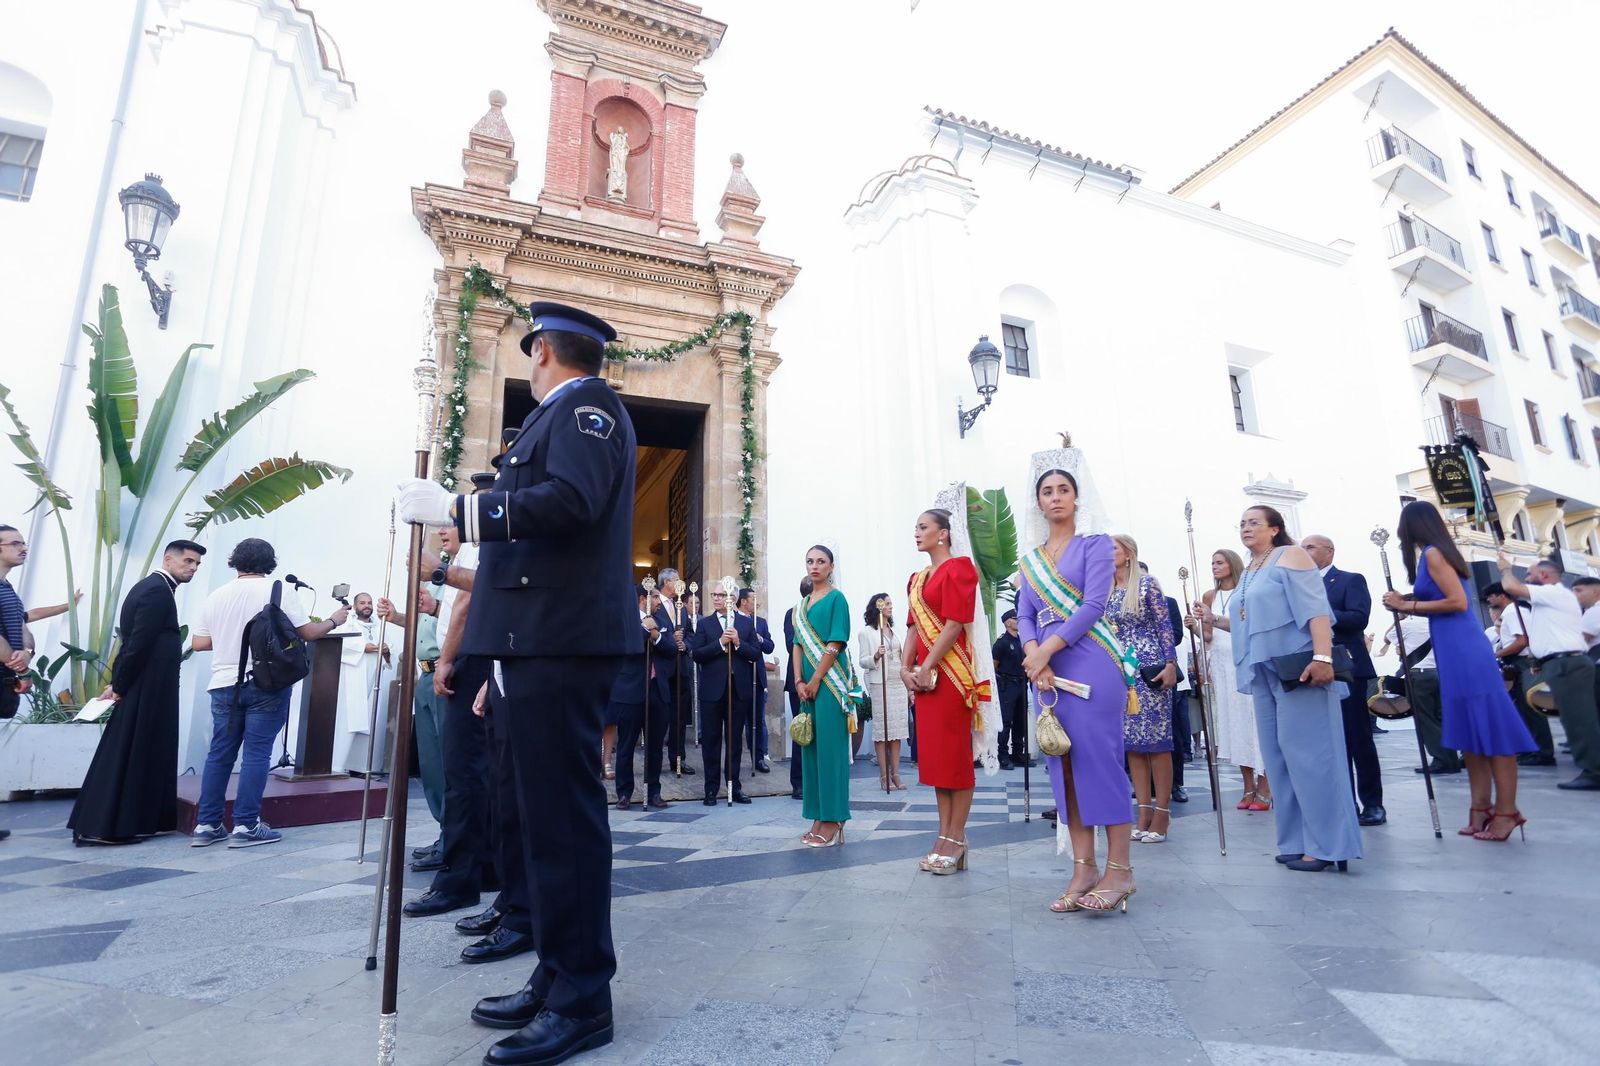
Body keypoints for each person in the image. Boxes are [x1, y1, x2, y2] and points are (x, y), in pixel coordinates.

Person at [397, 298, 634, 1065]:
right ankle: (557, 970)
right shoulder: (557, 417)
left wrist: (461, 507)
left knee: (563, 821)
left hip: (560, 641)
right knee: (539, 819)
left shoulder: (587, 410)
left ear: (541, 354)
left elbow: (570, 502)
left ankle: (582, 997)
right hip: (532, 641)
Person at [1195, 506, 1362, 872]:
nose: (1246, 528)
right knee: (1279, 758)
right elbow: (1248, 623)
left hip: (1299, 666)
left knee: (1311, 757)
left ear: (1275, 529)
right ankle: (1296, 840)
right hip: (1265, 671)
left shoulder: (1292, 555)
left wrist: (1322, 657)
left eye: (1254, 522)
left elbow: (1316, 610)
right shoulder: (1251, 571)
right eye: (1241, 523)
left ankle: (1329, 845)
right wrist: (1213, 620)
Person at [1016, 463, 1139, 912]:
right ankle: (1084, 866)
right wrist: (1033, 654)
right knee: (1062, 767)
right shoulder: (1031, 561)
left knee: (1098, 764)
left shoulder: (1095, 546)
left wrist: (1043, 649)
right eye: (1047, 491)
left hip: (1090, 661)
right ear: (1039, 502)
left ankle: (1120, 871)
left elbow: (1093, 605)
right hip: (1045, 671)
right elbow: (1024, 612)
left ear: (1076, 497)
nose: (1055, 497)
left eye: (1063, 489)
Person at [1382, 502, 1536, 837]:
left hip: (1464, 650)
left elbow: (1457, 602)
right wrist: (1406, 599)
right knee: (1470, 733)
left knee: (1492, 730)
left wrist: (1405, 605)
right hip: (1453, 649)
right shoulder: (1436, 554)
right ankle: (1481, 807)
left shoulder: (1434, 554)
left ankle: (1507, 812)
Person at [189, 538, 349, 848]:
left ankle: (207, 825)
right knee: (257, 753)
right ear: (269, 562)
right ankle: (246, 825)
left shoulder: (216, 595)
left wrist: (229, 639)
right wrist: (333, 620)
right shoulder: (278, 590)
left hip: (223, 683)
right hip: (265, 683)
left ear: (236, 561)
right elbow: (306, 633)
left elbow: (199, 643)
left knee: (219, 754)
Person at [67, 540, 206, 845]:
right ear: (168, 559)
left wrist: (119, 681)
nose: (193, 568)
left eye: (197, 564)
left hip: (147, 684)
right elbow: (138, 643)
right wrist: (119, 685)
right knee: (132, 751)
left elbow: (133, 642)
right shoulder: (156, 590)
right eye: (188, 562)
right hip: (146, 686)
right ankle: (107, 827)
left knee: (140, 750)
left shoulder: (154, 587)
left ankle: (133, 821)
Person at [905, 506, 994, 873]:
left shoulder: (959, 569)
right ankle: (944, 834)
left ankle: (957, 838)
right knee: (938, 762)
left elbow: (956, 624)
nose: (916, 532)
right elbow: (912, 628)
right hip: (925, 680)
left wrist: (926, 667)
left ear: (943, 533)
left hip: (953, 679)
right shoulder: (916, 578)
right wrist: (904, 668)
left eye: (923, 526)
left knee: (956, 759)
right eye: (916, 526)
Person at [1495, 554, 1600, 793]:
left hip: (1567, 664)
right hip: (1561, 663)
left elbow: (1511, 586)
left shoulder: (1553, 592)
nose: (1527, 579)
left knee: (1579, 721)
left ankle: (1594, 772)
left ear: (1544, 575)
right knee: (1576, 720)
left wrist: (1505, 569)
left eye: (1530, 574)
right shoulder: (1549, 600)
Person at [1302, 534, 1385, 827]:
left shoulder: (1349, 580)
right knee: (1327, 742)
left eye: (1310, 547)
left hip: (1346, 665)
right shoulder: (1300, 586)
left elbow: (1358, 618)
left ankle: (1373, 803)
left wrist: (1318, 615)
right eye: (1301, 548)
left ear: (1329, 551)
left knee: (1357, 737)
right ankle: (1342, 801)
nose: (1304, 551)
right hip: (1311, 666)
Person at [1193, 550, 1273, 812]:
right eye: (1212, 562)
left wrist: (1212, 618)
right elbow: (1208, 636)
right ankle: (1247, 784)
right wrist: (1193, 626)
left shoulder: (1248, 590)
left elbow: (1247, 625)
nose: (1214, 566)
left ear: (1232, 564)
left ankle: (1266, 785)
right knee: (1234, 725)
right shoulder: (1210, 596)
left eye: (1220, 562)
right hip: (1221, 664)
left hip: (1245, 660)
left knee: (1254, 723)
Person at [1109, 535, 1177, 843]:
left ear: (1127, 554)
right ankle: (1143, 812)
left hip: (1149, 666)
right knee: (1132, 744)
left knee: (1156, 742)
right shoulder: (1105, 588)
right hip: (1119, 669)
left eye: (1113, 548)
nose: (1108, 554)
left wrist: (1171, 664)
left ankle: (1162, 814)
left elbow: (1165, 627)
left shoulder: (1147, 585)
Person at [374, 587, 448, 867]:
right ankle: (446, 830)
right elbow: (427, 622)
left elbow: (453, 617)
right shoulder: (435, 579)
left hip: (446, 669)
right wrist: (397, 617)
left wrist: (436, 605)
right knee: (431, 763)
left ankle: (457, 836)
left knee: (447, 758)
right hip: (425, 672)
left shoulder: (457, 573)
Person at [794, 546, 853, 847]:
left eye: (821, 562)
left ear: (831, 567)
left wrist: (816, 678)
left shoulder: (836, 599)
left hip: (830, 685)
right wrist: (798, 680)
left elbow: (836, 642)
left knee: (831, 751)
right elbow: (797, 645)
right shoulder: (802, 605)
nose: (814, 566)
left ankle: (834, 817)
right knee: (812, 751)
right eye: (810, 561)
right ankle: (818, 815)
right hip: (807, 687)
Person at [692, 585, 761, 804]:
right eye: (715, 594)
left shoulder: (745, 623)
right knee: (711, 740)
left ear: (732, 598)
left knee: (734, 741)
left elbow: (756, 654)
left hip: (737, 689)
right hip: (712, 691)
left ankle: (734, 786)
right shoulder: (705, 624)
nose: (717, 598)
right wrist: (720, 643)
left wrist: (739, 643)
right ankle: (711, 788)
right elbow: (697, 654)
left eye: (722, 595)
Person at [1377, 609, 1460, 775]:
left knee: (1426, 720)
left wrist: (1398, 618)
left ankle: (1441, 760)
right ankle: (1452, 759)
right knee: (1440, 717)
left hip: (1418, 675)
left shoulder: (1405, 624)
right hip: (1438, 673)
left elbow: (1387, 638)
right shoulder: (1435, 623)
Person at [1484, 582, 1553, 766]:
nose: (1488, 600)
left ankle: (1542, 752)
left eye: (1490, 596)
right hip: (1519, 662)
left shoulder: (1512, 612)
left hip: (1521, 662)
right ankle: (1533, 750)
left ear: (1501, 595)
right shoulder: (1516, 611)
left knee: (1530, 708)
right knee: (1524, 709)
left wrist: (1497, 654)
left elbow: (1522, 641)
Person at [613, 583, 668, 811]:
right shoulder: (623, 620)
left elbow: (672, 648)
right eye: (655, 597)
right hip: (631, 691)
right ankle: (624, 793)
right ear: (642, 599)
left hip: (657, 690)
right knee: (626, 746)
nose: (658, 602)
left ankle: (653, 790)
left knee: (655, 747)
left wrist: (655, 634)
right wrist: (645, 630)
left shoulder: (661, 621)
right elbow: (628, 644)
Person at [860, 592, 911, 787]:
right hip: (880, 683)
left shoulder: (895, 631)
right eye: (887, 603)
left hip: (897, 683)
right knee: (882, 731)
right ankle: (883, 776)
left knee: (897, 730)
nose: (891, 607)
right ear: (878, 607)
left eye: (891, 603)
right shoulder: (866, 632)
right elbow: (862, 661)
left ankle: (896, 774)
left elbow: (901, 657)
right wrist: (875, 656)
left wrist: (908, 687)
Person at [336, 591, 390, 775]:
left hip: (372, 682)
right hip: (353, 681)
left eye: (369, 602)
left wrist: (385, 651)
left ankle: (359, 767)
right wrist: (363, 648)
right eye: (362, 603)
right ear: (355, 605)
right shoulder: (347, 623)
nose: (366, 606)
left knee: (368, 722)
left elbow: (385, 656)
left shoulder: (377, 626)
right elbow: (339, 645)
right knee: (349, 722)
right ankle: (338, 766)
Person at [651, 569, 696, 778]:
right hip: (662, 668)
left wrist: (684, 644)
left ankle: (678, 759)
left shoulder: (682, 607)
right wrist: (671, 640)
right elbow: (652, 632)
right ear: (667, 582)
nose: (680, 583)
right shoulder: (654, 604)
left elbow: (691, 635)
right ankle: (655, 760)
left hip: (681, 668)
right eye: (677, 580)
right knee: (659, 717)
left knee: (679, 718)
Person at [0, 525, 35, 733]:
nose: (23, 548)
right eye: (15, 543)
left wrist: (28, 653)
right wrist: (22, 669)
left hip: (7, 683)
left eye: (23, 543)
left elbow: (23, 629)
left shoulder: (8, 589)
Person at [738, 588, 776, 773]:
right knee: (740, 720)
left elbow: (770, 647)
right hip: (738, 675)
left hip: (757, 676)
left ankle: (758, 758)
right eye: (753, 599)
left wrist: (760, 639)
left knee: (757, 720)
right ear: (743, 601)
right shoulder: (733, 620)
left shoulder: (760, 622)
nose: (756, 602)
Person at [782, 577, 812, 800]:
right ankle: (799, 783)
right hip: (799, 680)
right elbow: (793, 646)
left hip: (824, 679)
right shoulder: (792, 614)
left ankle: (818, 779)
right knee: (802, 730)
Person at [990, 609, 1030, 772]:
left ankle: (1018, 753)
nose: (1019, 620)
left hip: (1021, 684)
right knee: (1006, 721)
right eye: (1016, 618)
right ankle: (1003, 755)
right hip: (1007, 685)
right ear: (1008, 622)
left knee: (1021, 721)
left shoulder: (1022, 641)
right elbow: (993, 666)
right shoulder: (1002, 642)